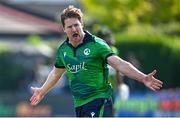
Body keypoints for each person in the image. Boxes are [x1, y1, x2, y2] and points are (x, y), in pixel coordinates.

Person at [30, 5, 163, 117]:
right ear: (64, 29)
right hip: (80, 104)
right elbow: (56, 73)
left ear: (82, 24)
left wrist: (143, 77)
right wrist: (42, 91)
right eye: (70, 27)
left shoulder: (96, 44)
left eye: (76, 25)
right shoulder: (63, 50)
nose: (74, 29)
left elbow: (119, 64)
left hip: (100, 100)